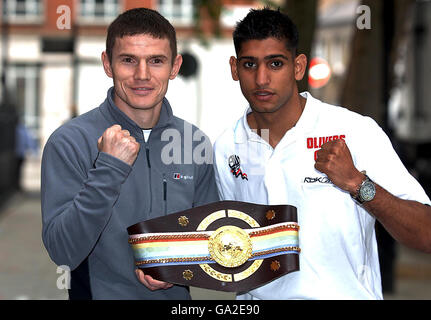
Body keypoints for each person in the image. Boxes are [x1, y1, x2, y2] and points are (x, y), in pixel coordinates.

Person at [213, 8, 431, 300]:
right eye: (250, 64)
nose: (262, 78)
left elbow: (425, 233)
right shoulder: (227, 145)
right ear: (234, 68)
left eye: (275, 63)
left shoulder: (354, 130)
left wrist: (358, 183)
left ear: (299, 67)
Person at [41, 8, 218, 300]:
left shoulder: (194, 142)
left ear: (174, 67)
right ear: (107, 64)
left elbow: (211, 243)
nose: (142, 75)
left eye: (156, 61)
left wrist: (176, 267)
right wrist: (109, 168)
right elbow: (63, 252)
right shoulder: (69, 142)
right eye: (128, 60)